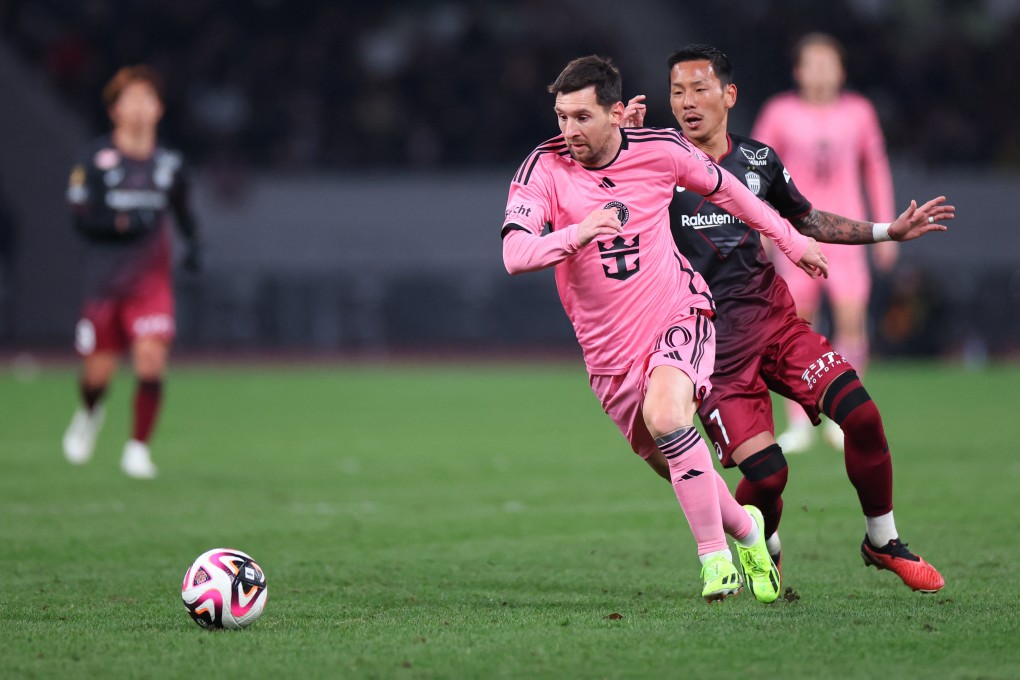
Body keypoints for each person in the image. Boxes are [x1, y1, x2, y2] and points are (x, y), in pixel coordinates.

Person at [621, 44, 949, 592]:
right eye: (677, 92)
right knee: (769, 476)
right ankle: (760, 545)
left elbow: (808, 218)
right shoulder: (654, 166)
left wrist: (885, 232)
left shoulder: (758, 160)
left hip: (777, 324)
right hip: (712, 350)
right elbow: (602, 187)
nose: (686, 102)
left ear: (729, 95)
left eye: (699, 89)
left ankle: (883, 539)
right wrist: (623, 145)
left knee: (863, 417)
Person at [502, 55, 829, 603]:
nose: (568, 130)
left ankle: (715, 562)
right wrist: (576, 233)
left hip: (678, 313)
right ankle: (748, 529)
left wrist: (793, 242)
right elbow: (514, 253)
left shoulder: (660, 151)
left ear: (613, 114)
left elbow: (734, 193)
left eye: (582, 117)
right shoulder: (545, 166)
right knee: (674, 457)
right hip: (608, 356)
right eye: (561, 117)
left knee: (667, 417)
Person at [752, 33, 898, 453]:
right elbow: (756, 171)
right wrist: (762, 228)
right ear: (798, 71)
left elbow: (876, 168)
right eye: (811, 63)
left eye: (827, 62)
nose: (820, 71)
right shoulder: (779, 112)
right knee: (797, 324)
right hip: (795, 232)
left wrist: (885, 229)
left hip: (847, 232)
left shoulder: (859, 112)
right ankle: (800, 420)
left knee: (852, 319)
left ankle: (844, 415)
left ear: (841, 70)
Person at [63, 65, 202, 479]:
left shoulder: (170, 165)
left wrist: (196, 245)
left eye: (148, 99)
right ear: (115, 110)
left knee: (150, 358)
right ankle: (89, 413)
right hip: (105, 282)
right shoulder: (95, 160)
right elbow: (80, 218)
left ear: (159, 109)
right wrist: (122, 223)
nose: (140, 108)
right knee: (98, 372)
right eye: (132, 99)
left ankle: (138, 448)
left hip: (150, 282)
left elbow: (184, 213)